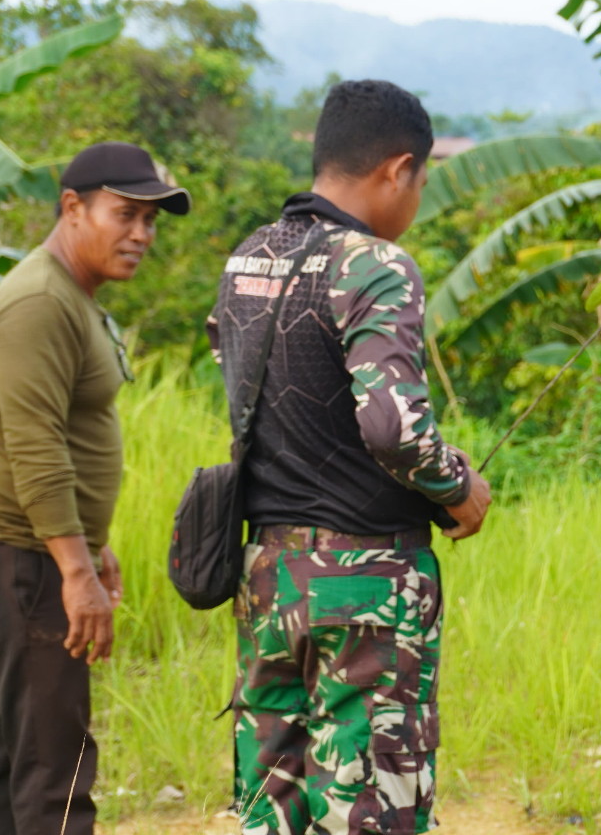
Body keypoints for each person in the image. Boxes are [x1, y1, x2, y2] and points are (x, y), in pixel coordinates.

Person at [206, 79, 492, 835]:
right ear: (397, 169)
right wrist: (456, 486)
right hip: (366, 586)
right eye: (421, 182)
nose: (417, 199)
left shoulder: (248, 258)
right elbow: (393, 429)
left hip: (269, 576)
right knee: (371, 810)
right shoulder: (375, 264)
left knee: (272, 805)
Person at [0, 141, 190, 835]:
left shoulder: (71, 295)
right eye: (127, 214)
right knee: (56, 772)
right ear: (73, 206)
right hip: (19, 560)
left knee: (15, 756)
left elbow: (64, 434)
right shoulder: (39, 302)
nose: (141, 234)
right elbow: (36, 450)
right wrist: (73, 571)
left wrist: (92, 545)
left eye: (151, 220)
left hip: (28, 554)